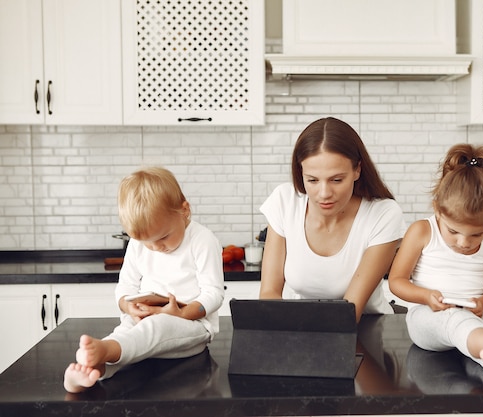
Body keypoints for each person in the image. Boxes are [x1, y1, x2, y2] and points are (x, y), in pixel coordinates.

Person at [63, 167, 224, 393]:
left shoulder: (202, 240)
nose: (156, 247)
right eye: (147, 242)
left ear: (184, 210)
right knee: (126, 332)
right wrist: (129, 307)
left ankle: (105, 352)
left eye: (164, 237)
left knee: (154, 327)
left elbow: (214, 294)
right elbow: (125, 287)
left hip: (192, 324)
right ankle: (92, 371)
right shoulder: (138, 245)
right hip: (147, 318)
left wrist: (180, 313)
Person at [388, 143, 483, 389]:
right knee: (454, 319)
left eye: (476, 234)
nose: (464, 243)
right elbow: (396, 282)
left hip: (475, 314)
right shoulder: (422, 231)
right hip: (428, 318)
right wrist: (427, 296)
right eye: (453, 231)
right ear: (437, 209)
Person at [259, 117, 405, 321]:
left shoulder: (383, 214)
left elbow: (351, 309)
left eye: (336, 180)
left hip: (368, 328)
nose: (324, 193)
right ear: (301, 173)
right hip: (301, 327)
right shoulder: (285, 200)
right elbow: (269, 295)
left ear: (357, 170)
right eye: (312, 180)